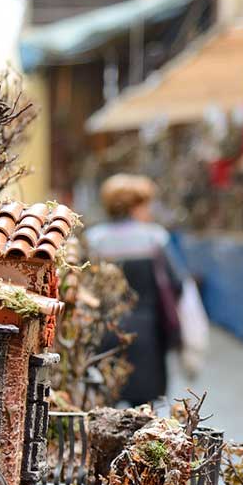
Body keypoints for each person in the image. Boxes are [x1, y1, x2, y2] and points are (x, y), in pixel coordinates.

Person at [87, 173, 187, 409]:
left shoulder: (94, 240)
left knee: (105, 409)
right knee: (146, 412)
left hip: (107, 334)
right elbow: (177, 283)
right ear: (134, 206)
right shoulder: (154, 238)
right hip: (148, 335)